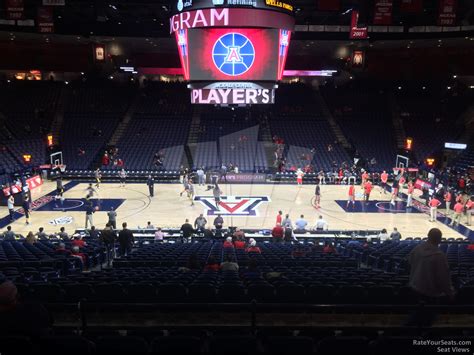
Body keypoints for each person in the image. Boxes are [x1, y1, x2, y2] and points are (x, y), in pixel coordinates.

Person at [408, 228, 454, 308]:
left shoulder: (417, 249)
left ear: (428, 236)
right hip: (430, 293)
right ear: (440, 240)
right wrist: (450, 293)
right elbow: (443, 277)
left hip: (414, 287)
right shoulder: (439, 256)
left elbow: (410, 263)